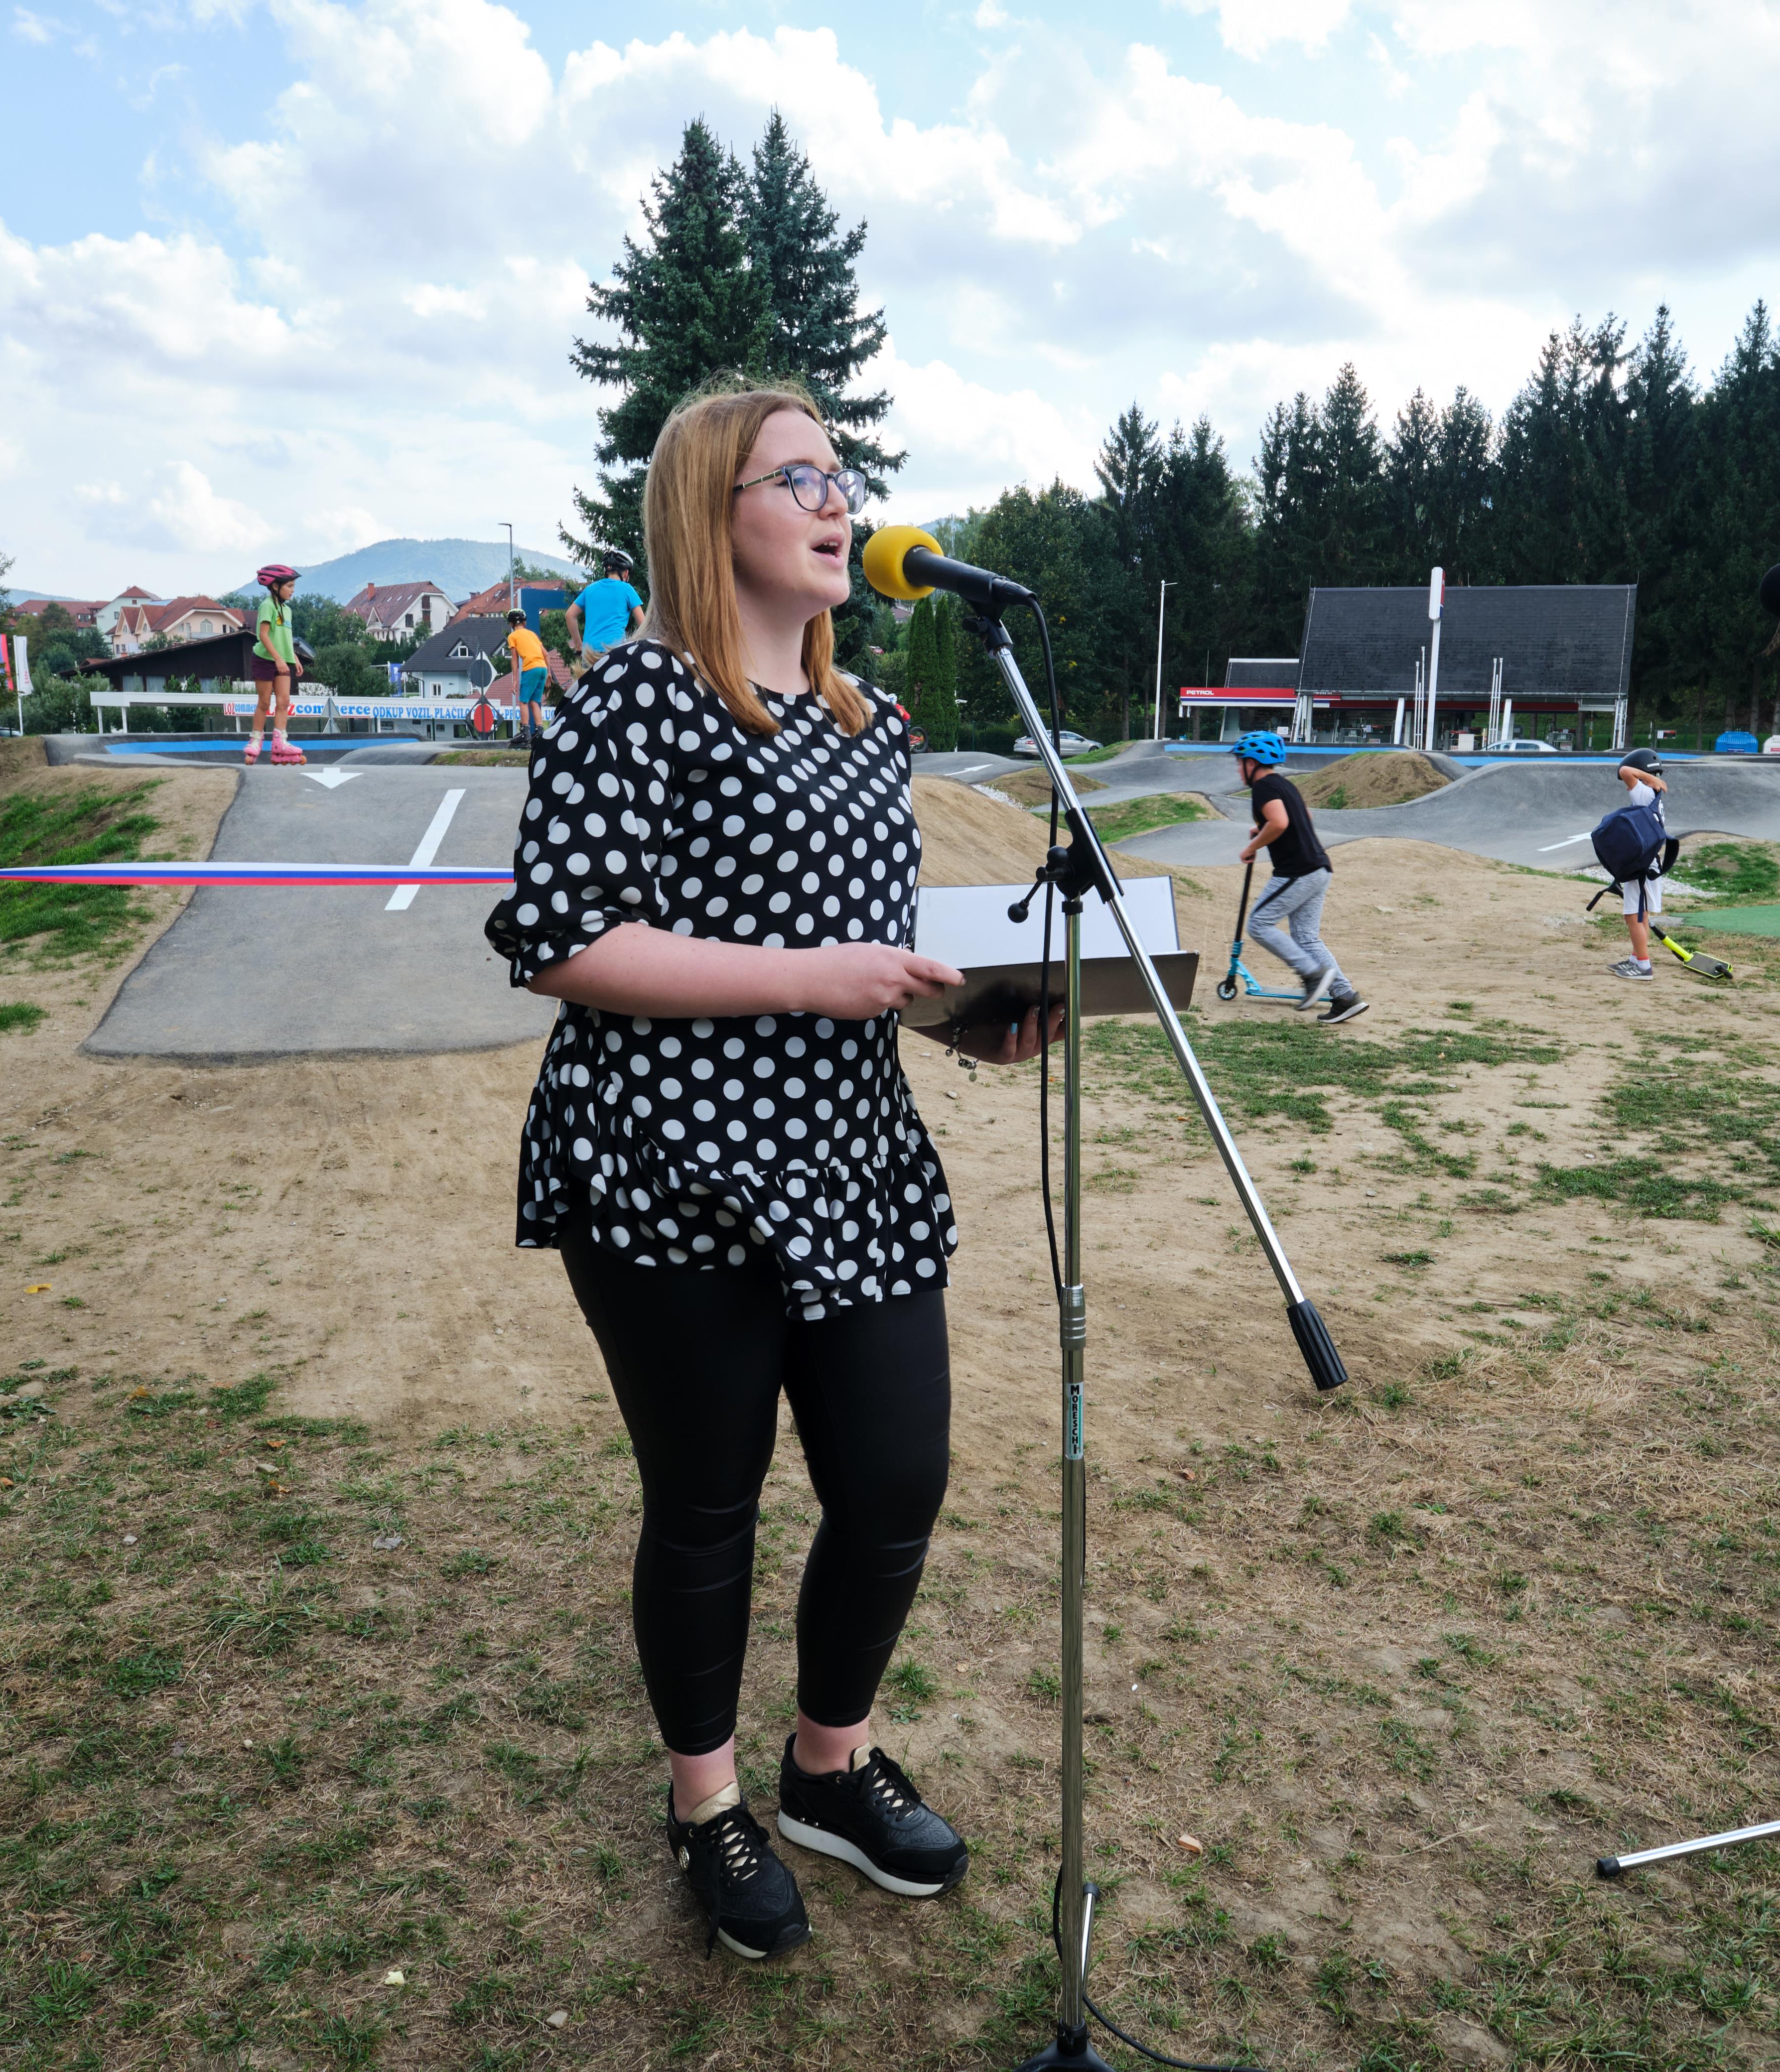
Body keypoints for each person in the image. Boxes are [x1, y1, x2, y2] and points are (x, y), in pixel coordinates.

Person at [485, 378, 1049, 1963]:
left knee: (895, 1479)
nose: (837, 501)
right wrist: (809, 979)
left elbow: (861, 957)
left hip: (848, 1155)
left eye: (841, 474)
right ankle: (708, 1801)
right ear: (706, 510)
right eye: (796, 478)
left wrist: (971, 1022)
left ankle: (828, 1766)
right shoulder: (636, 696)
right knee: (707, 1505)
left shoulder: (873, 728)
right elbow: (562, 939)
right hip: (668, 1162)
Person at [1232, 729, 1369, 1025]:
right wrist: (1263, 829)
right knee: (1307, 938)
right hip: (1319, 868)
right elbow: (1304, 816)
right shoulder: (1284, 784)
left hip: (1297, 871)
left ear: (1252, 763)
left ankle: (1310, 974)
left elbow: (1280, 822)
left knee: (1259, 924)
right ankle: (1345, 997)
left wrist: (1252, 847)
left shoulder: (1263, 788)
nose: (1238, 769)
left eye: (1239, 762)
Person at [1604, 748, 1671, 979]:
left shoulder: (1645, 792)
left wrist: (1647, 778)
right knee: (1641, 916)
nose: (1627, 787)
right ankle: (1636, 958)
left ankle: (1643, 966)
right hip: (1648, 865)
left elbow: (1625, 771)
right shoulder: (1653, 797)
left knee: (1633, 916)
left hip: (1644, 868)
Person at [244, 565, 306, 765]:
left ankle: (280, 744)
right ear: (276, 586)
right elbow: (263, 635)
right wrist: (278, 659)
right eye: (289, 586)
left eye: (293, 586)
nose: (293, 590)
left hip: (284, 660)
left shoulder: (287, 611)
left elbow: (285, 638)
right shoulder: (267, 606)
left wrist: (294, 658)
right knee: (264, 702)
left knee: (284, 701)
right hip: (265, 658)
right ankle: (255, 741)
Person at [567, 547, 648, 669]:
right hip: (615, 651)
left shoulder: (590, 589)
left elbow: (570, 615)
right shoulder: (627, 589)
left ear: (607, 571)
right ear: (626, 573)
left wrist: (579, 645)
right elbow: (643, 624)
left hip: (589, 653)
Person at [501, 608, 549, 741]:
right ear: (524, 622)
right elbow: (546, 654)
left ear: (511, 624)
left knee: (523, 701)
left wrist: (515, 680)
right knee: (535, 701)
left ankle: (525, 732)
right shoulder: (532, 634)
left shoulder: (512, 637)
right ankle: (540, 731)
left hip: (531, 668)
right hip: (543, 668)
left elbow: (515, 658)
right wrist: (549, 673)